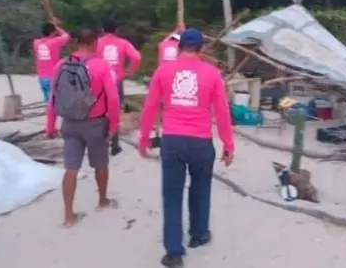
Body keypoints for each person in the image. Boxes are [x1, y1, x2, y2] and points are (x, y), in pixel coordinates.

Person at [138, 28, 235, 268]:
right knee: (200, 189)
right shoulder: (212, 74)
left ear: (180, 48)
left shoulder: (163, 71)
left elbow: (150, 107)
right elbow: (222, 112)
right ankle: (199, 235)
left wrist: (144, 138)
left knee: (171, 195)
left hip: (172, 141)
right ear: (201, 50)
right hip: (201, 142)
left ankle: (174, 252)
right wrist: (228, 144)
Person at [46, 26, 121, 227]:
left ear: (76, 42)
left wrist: (50, 125)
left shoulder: (60, 65)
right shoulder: (102, 66)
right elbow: (113, 99)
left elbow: (53, 97)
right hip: (95, 123)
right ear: (94, 42)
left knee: (71, 168)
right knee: (100, 163)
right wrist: (114, 125)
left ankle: (69, 216)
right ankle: (102, 200)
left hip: (69, 122)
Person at [96, 18, 141, 155]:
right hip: (116, 80)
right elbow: (137, 57)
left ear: (103, 30)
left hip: (99, 80)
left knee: (99, 112)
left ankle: (100, 142)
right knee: (115, 112)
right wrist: (129, 72)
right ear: (116, 30)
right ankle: (115, 144)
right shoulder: (123, 43)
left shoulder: (97, 43)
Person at [33, 19, 71, 103]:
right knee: (58, 103)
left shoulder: (36, 43)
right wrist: (57, 27)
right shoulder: (54, 42)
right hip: (53, 77)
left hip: (42, 78)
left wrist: (53, 26)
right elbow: (66, 36)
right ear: (52, 32)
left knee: (49, 103)